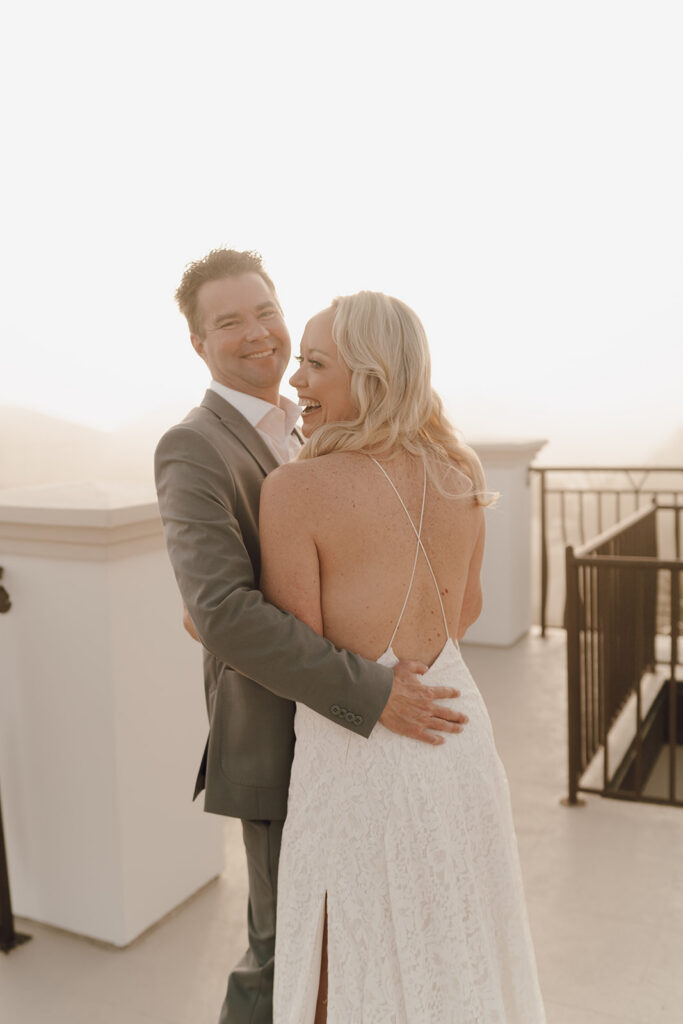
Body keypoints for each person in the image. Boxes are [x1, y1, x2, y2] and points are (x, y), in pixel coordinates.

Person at [154, 250, 469, 1024]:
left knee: (353, 945)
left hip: (359, 750)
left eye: (264, 311)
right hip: (278, 737)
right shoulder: (193, 446)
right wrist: (376, 693)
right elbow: (223, 613)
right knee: (283, 953)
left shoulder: (316, 432)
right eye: (229, 321)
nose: (258, 333)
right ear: (200, 343)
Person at [260, 292, 546, 1023]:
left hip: (359, 751)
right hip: (456, 733)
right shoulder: (458, 467)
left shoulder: (294, 487)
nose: (296, 380)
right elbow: (464, 612)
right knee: (457, 941)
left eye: (314, 364)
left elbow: (299, 649)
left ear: (372, 376)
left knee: (340, 955)